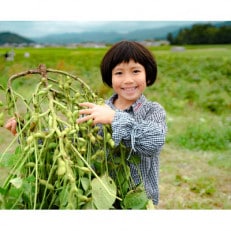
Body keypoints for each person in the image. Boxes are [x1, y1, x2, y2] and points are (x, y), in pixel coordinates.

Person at [5, 40, 167, 206]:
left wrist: (114, 118)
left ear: (148, 75)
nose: (128, 80)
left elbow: (154, 142)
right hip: (99, 198)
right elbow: (70, 141)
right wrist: (29, 131)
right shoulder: (96, 109)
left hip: (137, 201)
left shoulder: (153, 111)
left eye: (135, 71)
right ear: (109, 78)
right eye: (119, 73)